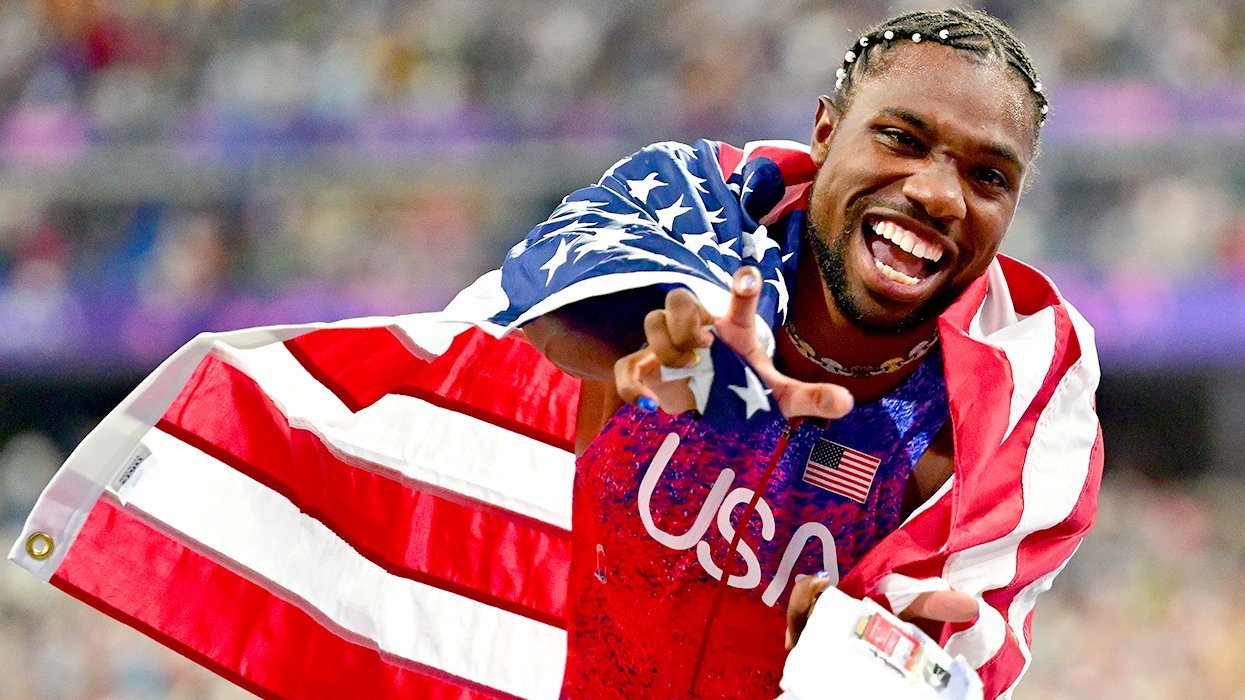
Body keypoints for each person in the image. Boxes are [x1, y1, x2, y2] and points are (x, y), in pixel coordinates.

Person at [491, 7, 1102, 699]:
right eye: (901, 137)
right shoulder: (689, 213)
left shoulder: (1001, 410)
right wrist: (633, 340)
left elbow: (963, 665)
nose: (937, 194)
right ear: (824, 131)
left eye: (988, 176)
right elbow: (537, 299)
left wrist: (885, 673)